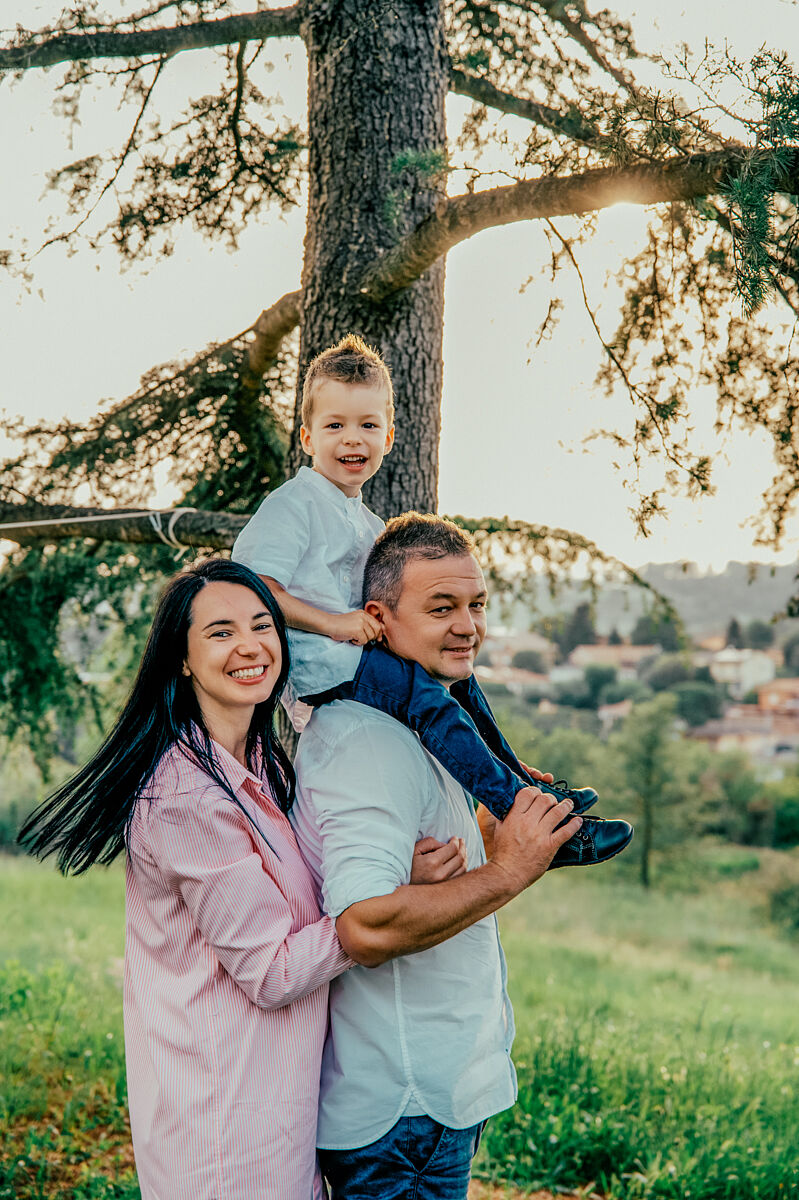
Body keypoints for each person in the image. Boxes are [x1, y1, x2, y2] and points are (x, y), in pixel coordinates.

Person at [18, 558, 468, 1200]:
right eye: (221, 632)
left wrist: (399, 871)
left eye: (262, 625)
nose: (251, 646)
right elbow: (273, 971)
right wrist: (375, 916)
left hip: (277, 1104)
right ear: (182, 659)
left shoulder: (257, 761)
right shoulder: (182, 796)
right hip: (221, 1123)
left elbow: (286, 897)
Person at [232, 333, 631, 867]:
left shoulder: (366, 522)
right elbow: (254, 592)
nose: (353, 439)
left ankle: (531, 792)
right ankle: (524, 816)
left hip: (359, 656)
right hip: (322, 666)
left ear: (390, 435)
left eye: (368, 425)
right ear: (307, 436)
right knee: (429, 702)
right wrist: (333, 624)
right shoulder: (293, 505)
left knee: (461, 683)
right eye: (335, 426)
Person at [289, 515, 589, 1199]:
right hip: (401, 1111)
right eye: (441, 607)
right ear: (378, 619)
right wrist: (510, 869)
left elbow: (409, 876)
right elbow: (363, 925)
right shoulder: (363, 740)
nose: (467, 626)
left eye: (476, 604)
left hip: (432, 1100)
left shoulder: (419, 724)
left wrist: (489, 838)